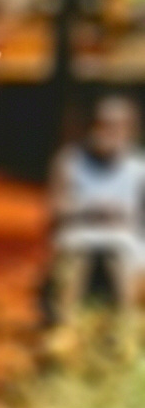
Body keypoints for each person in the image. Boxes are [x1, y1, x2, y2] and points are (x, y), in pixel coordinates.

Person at [48, 95, 145, 329]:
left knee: (123, 269)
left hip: (125, 239)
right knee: (71, 268)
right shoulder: (70, 161)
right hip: (78, 235)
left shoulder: (139, 168)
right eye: (103, 125)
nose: (109, 132)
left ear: (129, 130)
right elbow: (55, 209)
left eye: (117, 126)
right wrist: (88, 210)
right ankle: (63, 328)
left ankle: (124, 329)